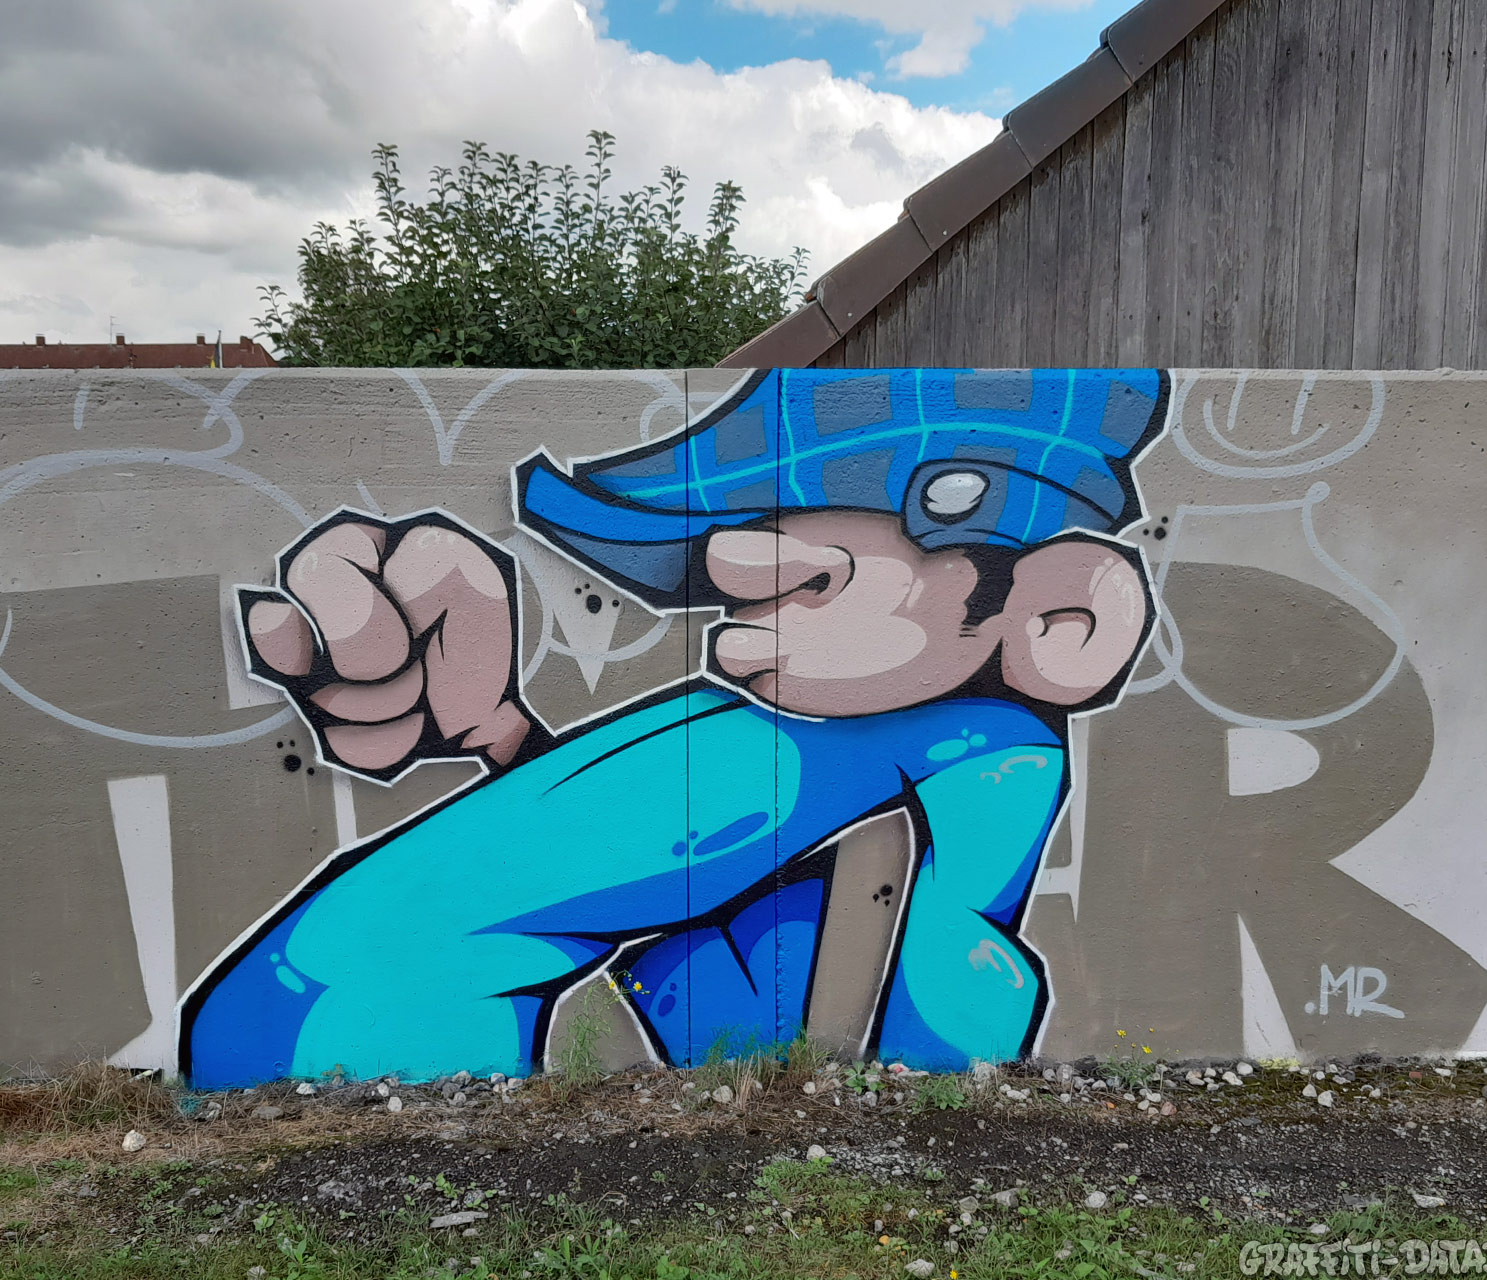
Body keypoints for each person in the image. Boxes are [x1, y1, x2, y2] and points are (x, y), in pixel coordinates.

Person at [181, 367, 1167, 1087]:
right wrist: (501, 733)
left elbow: (387, 957)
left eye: (811, 581)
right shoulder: (822, 771)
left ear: (1063, 617)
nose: (730, 630)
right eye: (729, 591)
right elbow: (655, 910)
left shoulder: (921, 752)